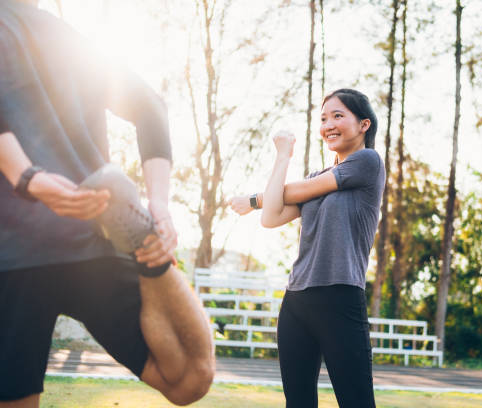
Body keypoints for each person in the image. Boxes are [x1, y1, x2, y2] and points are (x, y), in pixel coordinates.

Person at [0, 1, 214, 407]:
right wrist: (159, 203)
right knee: (188, 377)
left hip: (15, 253)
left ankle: (147, 245)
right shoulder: (69, 38)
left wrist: (26, 176)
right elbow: (149, 105)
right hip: (91, 239)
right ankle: (147, 248)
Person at [230, 88, 384, 407]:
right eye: (324, 118)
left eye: (338, 116)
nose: (328, 124)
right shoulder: (316, 177)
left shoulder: (368, 163)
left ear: (364, 125)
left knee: (357, 402)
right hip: (297, 301)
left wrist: (253, 200)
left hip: (339, 296)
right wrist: (283, 156)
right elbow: (271, 217)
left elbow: (293, 193)